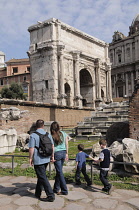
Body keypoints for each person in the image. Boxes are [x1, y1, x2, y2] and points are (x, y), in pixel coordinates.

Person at [29, 119, 55, 202]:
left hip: (38, 158)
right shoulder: (48, 134)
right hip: (46, 158)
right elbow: (52, 146)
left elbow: (31, 148)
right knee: (41, 176)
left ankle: (50, 195)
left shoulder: (33, 135)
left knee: (42, 177)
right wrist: (52, 156)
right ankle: (38, 193)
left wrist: (30, 158)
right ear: (43, 126)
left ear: (36, 126)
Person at [50, 121, 68, 195]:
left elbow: (52, 146)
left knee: (60, 172)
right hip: (63, 152)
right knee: (59, 171)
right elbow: (67, 144)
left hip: (57, 153)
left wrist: (52, 156)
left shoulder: (52, 135)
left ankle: (64, 190)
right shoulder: (64, 133)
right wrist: (67, 153)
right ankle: (56, 188)